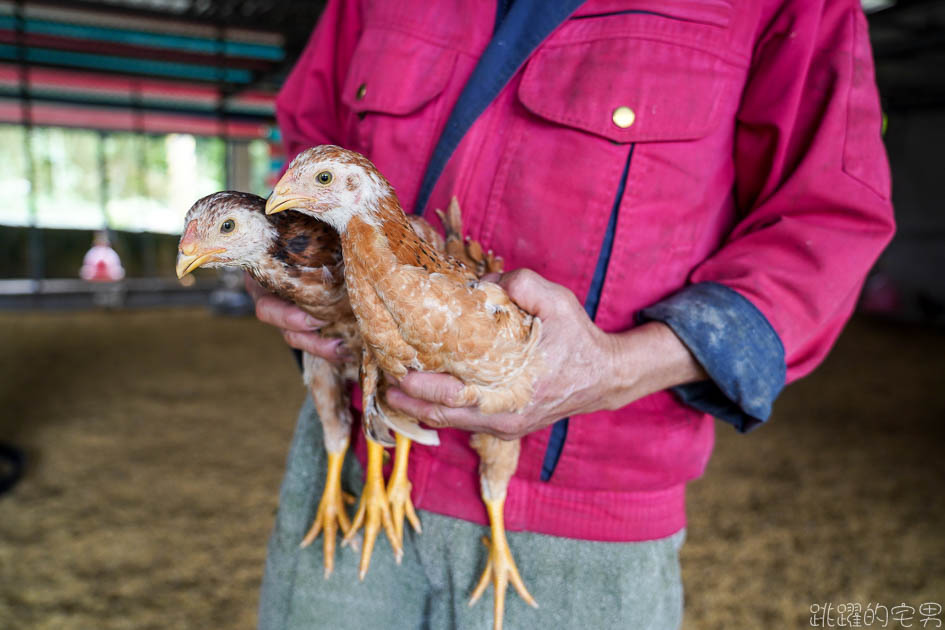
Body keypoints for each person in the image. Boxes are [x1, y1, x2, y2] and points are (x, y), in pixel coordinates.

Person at [250, 1, 895, 628]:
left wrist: (618, 366)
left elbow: (826, 224)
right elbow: (309, 141)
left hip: (577, 525)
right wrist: (277, 256)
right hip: (354, 458)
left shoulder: (791, 8)